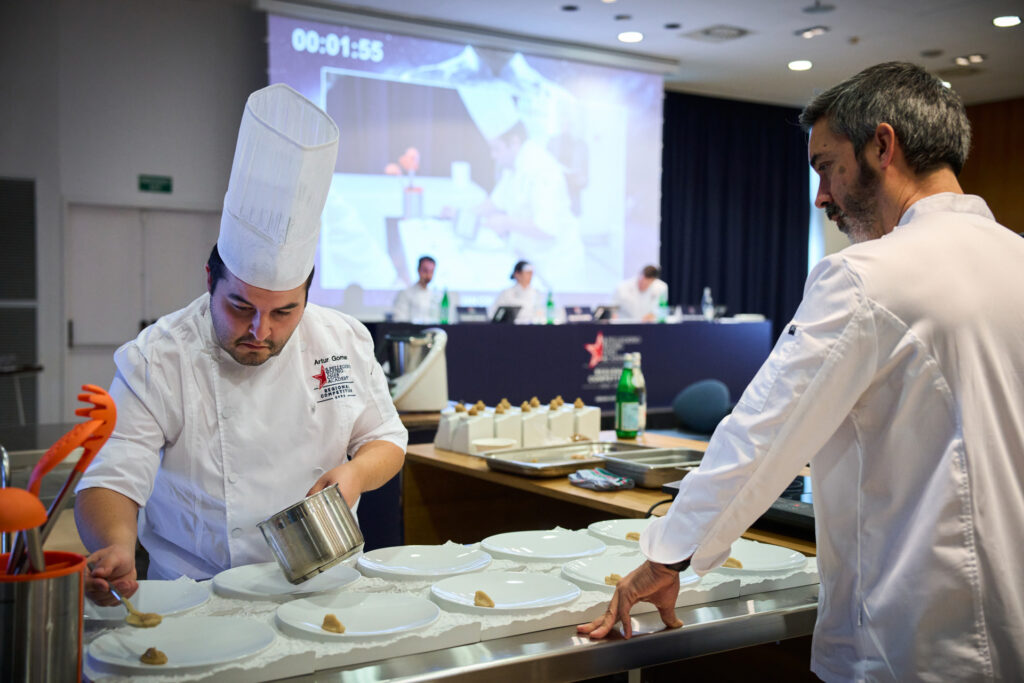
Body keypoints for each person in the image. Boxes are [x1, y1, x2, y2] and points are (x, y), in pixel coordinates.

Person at [580, 62, 1024, 681]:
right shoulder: (1017, 258)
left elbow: (761, 434)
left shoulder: (867, 275)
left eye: (825, 167)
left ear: (882, 145)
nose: (821, 197)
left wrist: (667, 555)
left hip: (915, 641)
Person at [75, 84, 408, 604]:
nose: (261, 331)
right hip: (194, 597)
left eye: (284, 312)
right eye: (240, 307)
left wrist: (356, 475)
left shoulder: (342, 339)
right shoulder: (157, 357)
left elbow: (386, 437)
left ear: (306, 294)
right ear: (210, 279)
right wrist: (114, 546)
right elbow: (114, 474)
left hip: (326, 590)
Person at [459, 81, 586, 291]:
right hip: (530, 264)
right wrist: (464, 213)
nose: (494, 156)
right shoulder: (514, 167)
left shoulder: (540, 168)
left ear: (515, 142)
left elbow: (547, 227)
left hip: (557, 269)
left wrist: (507, 222)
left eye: (497, 150)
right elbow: (494, 202)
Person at [392, 255, 437, 322]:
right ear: (418, 270)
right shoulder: (406, 293)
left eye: (431, 271)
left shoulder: (435, 295)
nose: (428, 275)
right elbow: (399, 319)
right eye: (425, 271)